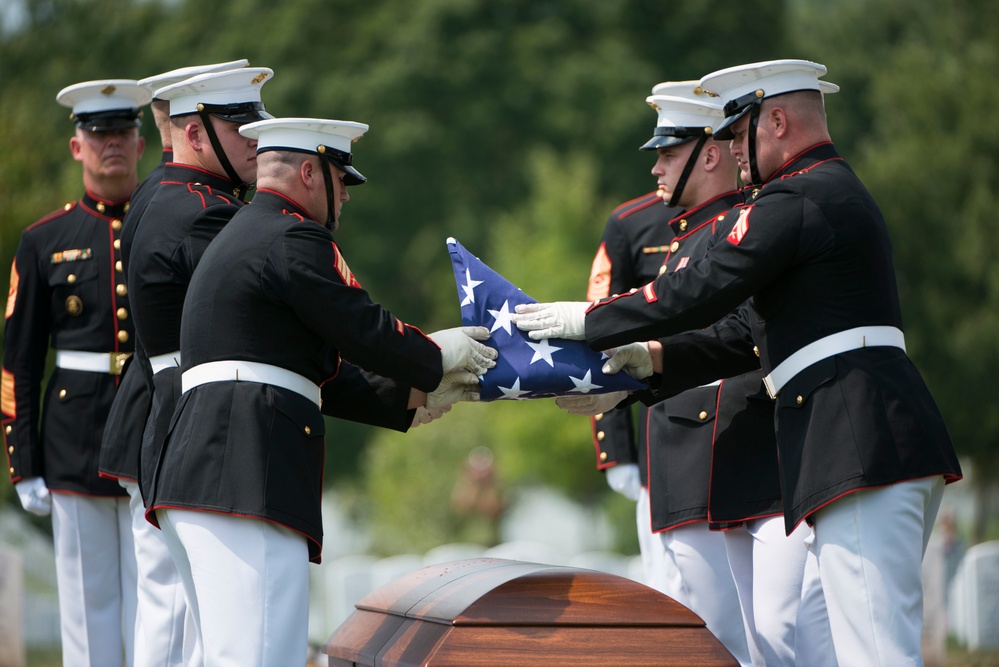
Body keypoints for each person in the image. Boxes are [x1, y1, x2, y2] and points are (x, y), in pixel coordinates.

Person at [513, 59, 963, 666]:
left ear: (776, 122)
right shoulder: (821, 193)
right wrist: (647, 363)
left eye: (738, 131)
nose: (730, 150)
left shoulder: (798, 195)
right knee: (847, 648)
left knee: (875, 654)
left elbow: (703, 284)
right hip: (860, 437)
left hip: (856, 440)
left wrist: (590, 319)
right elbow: (740, 336)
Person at [144, 116, 494, 666]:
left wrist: (412, 397)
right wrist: (435, 355)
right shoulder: (293, 236)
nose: (346, 197)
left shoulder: (242, 236)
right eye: (340, 180)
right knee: (262, 655)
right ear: (309, 173)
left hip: (202, 470)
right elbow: (362, 325)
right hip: (246, 472)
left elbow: (312, 371)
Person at [97, 60, 251, 667]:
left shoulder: (159, 191)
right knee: (172, 616)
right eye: (239, 127)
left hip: (154, 409)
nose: (255, 142)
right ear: (193, 130)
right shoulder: (197, 208)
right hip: (175, 412)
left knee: (174, 612)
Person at [3, 78, 149, 666]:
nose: (111, 143)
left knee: (158, 606)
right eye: (98, 133)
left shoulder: (167, 226)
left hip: (153, 433)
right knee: (88, 613)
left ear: (141, 144)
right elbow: (18, 359)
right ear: (76, 146)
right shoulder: (44, 240)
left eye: (122, 132)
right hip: (74, 439)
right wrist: (23, 462)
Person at [585, 81, 682, 598]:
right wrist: (616, 448)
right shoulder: (629, 224)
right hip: (659, 422)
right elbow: (601, 328)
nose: (657, 168)